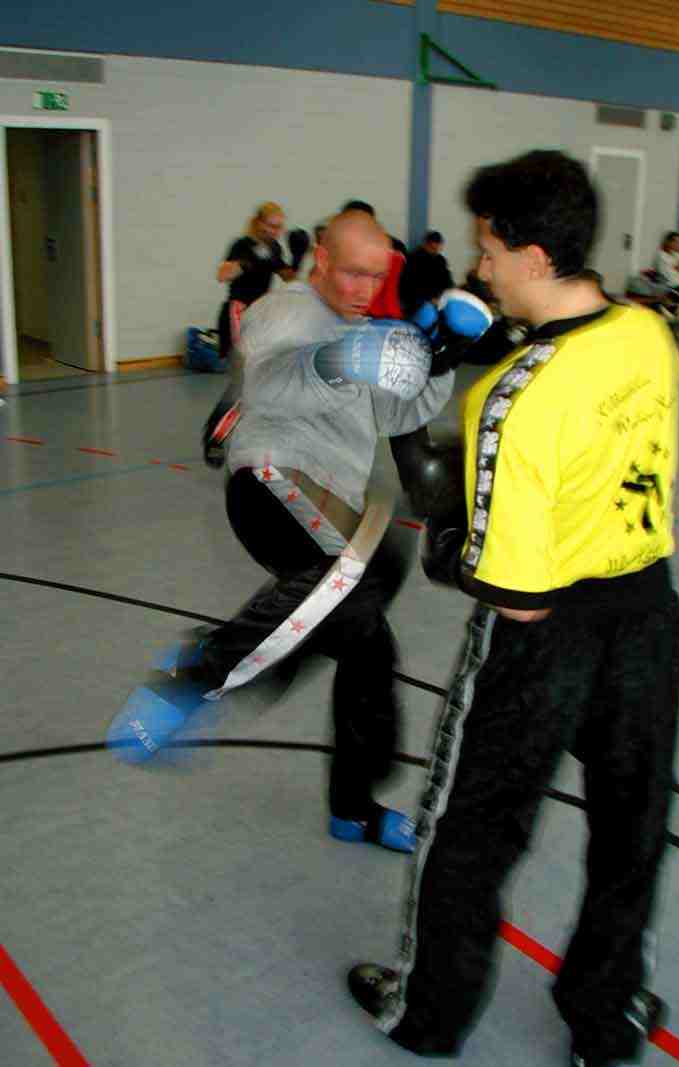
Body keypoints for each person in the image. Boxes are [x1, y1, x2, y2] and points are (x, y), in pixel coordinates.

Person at [347, 150, 679, 1067]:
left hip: (549, 636)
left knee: (474, 827)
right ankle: (606, 1018)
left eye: (490, 250)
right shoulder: (649, 334)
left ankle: (429, 1014)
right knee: (633, 821)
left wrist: (449, 535)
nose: (479, 266)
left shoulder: (515, 398)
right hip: (649, 613)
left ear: (534, 256)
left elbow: (516, 597)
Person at [196, 211, 456, 850]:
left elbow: (400, 413)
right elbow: (267, 384)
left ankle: (353, 808)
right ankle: (204, 669)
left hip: (329, 507)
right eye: (353, 273)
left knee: (370, 647)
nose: (364, 289)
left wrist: (439, 358)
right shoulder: (288, 310)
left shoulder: (363, 326)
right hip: (272, 482)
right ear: (321, 257)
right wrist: (340, 360)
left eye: (376, 276)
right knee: (364, 569)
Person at [215, 202, 296, 361]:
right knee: (241, 362)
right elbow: (222, 275)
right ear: (258, 223)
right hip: (240, 311)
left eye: (279, 227)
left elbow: (288, 278)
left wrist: (297, 258)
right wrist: (247, 260)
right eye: (271, 226)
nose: (275, 231)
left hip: (261, 311)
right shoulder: (242, 245)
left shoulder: (274, 248)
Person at [399, 230, 454, 316]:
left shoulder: (440, 260)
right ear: (426, 245)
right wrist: (429, 299)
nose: (435, 251)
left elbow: (447, 281)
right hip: (417, 303)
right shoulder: (414, 259)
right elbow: (411, 285)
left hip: (436, 301)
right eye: (432, 248)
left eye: (437, 248)